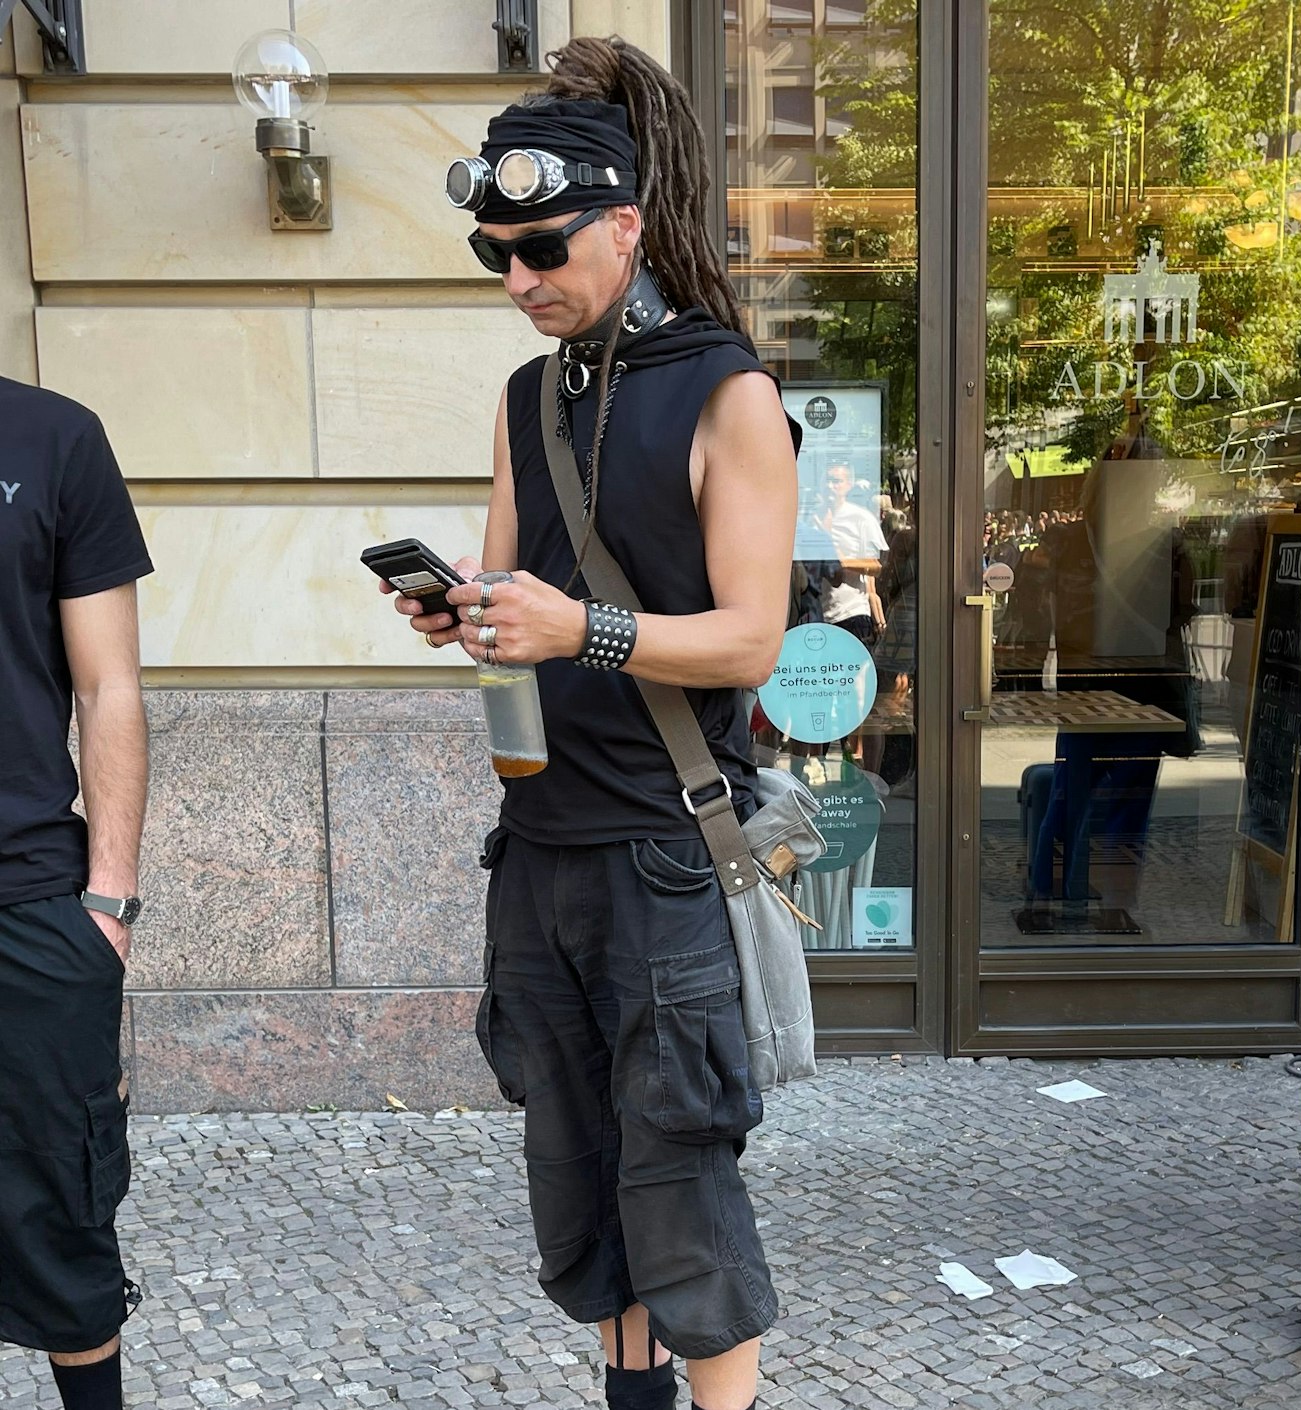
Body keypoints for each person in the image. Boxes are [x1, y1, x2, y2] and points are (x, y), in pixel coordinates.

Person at [387, 37, 797, 1410]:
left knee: (679, 1172)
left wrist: (583, 630)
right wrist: (473, 615)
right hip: (544, 845)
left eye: (543, 248)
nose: (517, 279)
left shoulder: (728, 391)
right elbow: (522, 593)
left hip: (665, 855)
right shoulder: (528, 398)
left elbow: (751, 639)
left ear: (625, 224)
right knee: (575, 1170)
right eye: (493, 252)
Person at [0, 377, 152, 1410]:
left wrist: (109, 903)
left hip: (30, 903)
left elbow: (108, 686)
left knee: (62, 1227)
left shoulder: (54, 437)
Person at [817, 462, 887, 644]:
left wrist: (842, 562)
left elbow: (876, 567)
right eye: (827, 481)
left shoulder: (861, 518)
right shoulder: (812, 516)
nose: (830, 486)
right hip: (818, 613)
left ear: (848, 485)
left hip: (852, 611)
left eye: (836, 481)